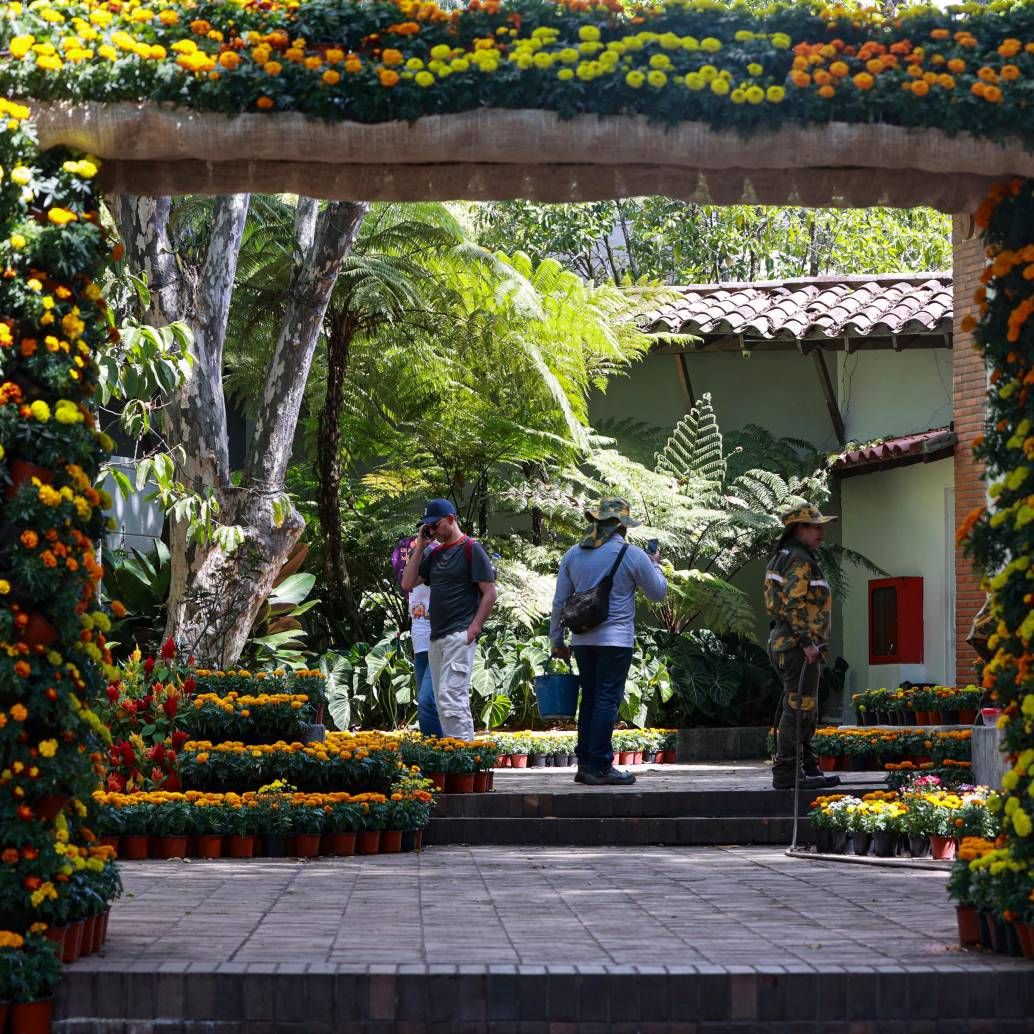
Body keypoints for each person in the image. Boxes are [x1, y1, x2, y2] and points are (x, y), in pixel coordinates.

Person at [549, 498, 667, 786]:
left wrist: (557, 639)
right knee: (605, 700)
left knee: (589, 699)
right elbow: (658, 593)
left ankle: (585, 763)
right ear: (621, 527)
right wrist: (656, 566)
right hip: (615, 641)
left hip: (582, 641)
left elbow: (559, 602)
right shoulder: (631, 554)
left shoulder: (573, 554)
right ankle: (600, 765)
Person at [401, 499, 497, 741]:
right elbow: (407, 583)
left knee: (452, 698)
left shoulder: (471, 548)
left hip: (459, 634)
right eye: (428, 528)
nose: (431, 531)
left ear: (451, 519)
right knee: (442, 704)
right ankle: (454, 760)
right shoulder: (436, 554)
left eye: (435, 525)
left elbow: (490, 593)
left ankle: (464, 759)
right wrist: (421, 545)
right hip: (436, 639)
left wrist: (473, 629)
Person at [764, 503, 841, 791]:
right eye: (816, 527)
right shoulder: (799, 560)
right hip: (797, 646)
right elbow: (793, 604)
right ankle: (787, 772)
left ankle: (808, 768)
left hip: (788, 642)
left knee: (804, 706)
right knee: (797, 707)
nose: (822, 533)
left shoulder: (784, 557)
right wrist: (808, 643)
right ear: (800, 529)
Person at [392, 533, 443, 738]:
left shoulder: (440, 574)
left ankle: (438, 747)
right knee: (427, 701)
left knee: (427, 699)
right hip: (420, 643)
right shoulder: (411, 581)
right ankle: (434, 746)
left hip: (440, 640)